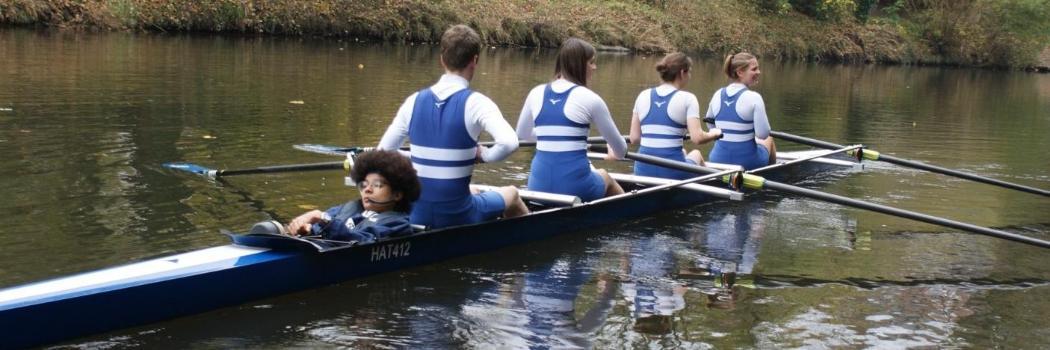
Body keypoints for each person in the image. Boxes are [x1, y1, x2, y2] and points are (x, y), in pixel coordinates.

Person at [378, 24, 528, 229]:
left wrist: (421, 157)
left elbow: (384, 152)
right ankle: (525, 242)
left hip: (416, 214)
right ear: (474, 61)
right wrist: (483, 154)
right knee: (511, 192)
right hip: (459, 215)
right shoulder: (477, 103)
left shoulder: (413, 101)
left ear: (442, 60)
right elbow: (510, 143)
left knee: (473, 190)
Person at [516, 37, 627, 201]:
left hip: (537, 184)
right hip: (575, 187)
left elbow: (522, 134)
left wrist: (559, 138)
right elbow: (621, 150)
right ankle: (622, 219)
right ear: (580, 65)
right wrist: (613, 152)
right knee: (605, 176)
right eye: (591, 62)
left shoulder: (535, 92)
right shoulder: (592, 99)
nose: (595, 67)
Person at [251, 150, 421, 244]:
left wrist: (321, 218)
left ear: (398, 194)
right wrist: (308, 229)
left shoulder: (398, 223)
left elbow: (365, 241)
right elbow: (325, 226)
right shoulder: (348, 208)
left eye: (377, 185)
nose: (367, 190)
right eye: (364, 184)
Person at [629, 52, 721, 179]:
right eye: (689, 72)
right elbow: (697, 138)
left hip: (642, 169)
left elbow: (634, 138)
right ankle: (707, 188)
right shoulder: (688, 99)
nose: (689, 76)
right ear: (683, 72)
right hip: (673, 172)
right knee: (696, 154)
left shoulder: (642, 95)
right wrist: (715, 133)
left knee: (682, 152)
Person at [705, 52, 777, 170]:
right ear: (740, 72)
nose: (759, 72)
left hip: (717, 159)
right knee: (769, 139)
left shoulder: (717, 94)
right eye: (754, 69)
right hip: (747, 162)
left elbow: (710, 124)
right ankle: (773, 174)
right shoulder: (754, 97)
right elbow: (762, 134)